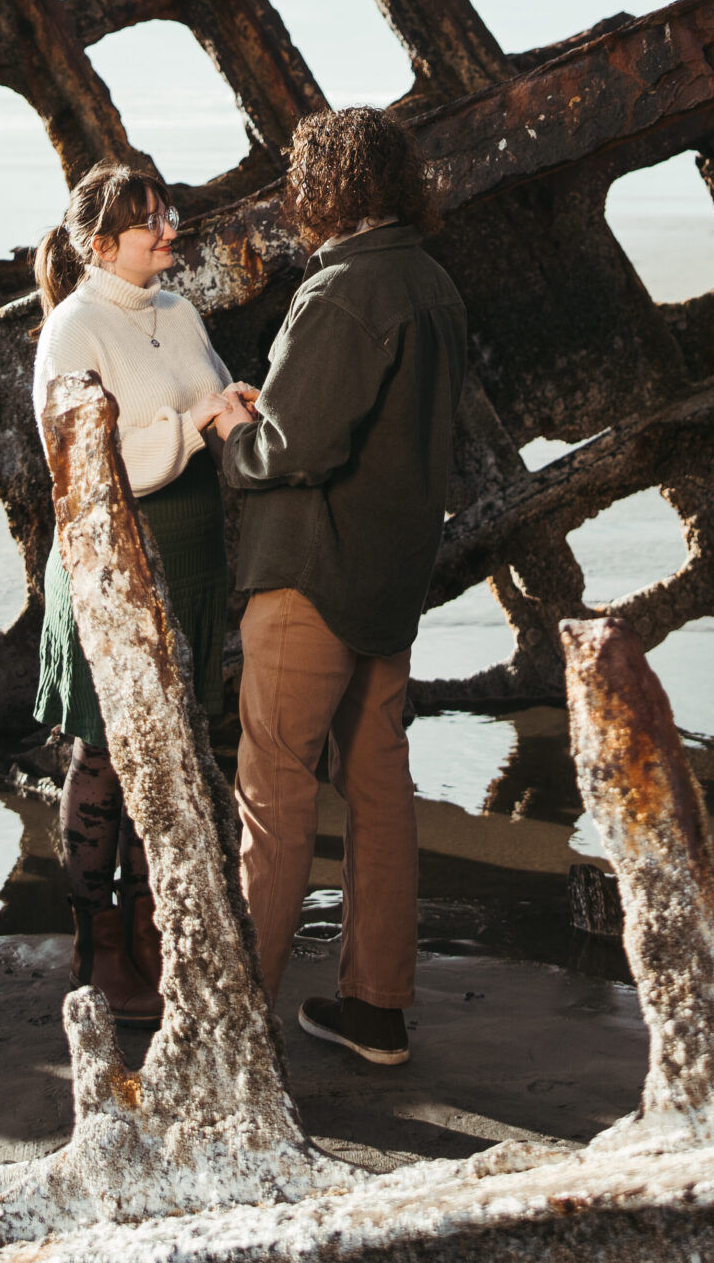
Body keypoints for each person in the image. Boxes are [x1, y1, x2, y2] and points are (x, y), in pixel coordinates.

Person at [220, 107, 464, 1068]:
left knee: (272, 794)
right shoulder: (429, 281)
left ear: (325, 189)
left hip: (310, 575)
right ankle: (375, 1007)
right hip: (389, 572)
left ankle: (235, 1028)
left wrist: (226, 434)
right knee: (378, 791)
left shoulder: (343, 291)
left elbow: (293, 447)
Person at [32, 159, 254, 1024]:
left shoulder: (177, 309)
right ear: (100, 245)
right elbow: (86, 465)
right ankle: (98, 947)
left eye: (166, 212)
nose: (168, 230)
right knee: (103, 755)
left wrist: (233, 405)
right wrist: (196, 423)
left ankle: (155, 927)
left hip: (190, 564)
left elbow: (204, 399)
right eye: (148, 222)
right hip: (113, 564)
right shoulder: (73, 329)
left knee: (170, 751)